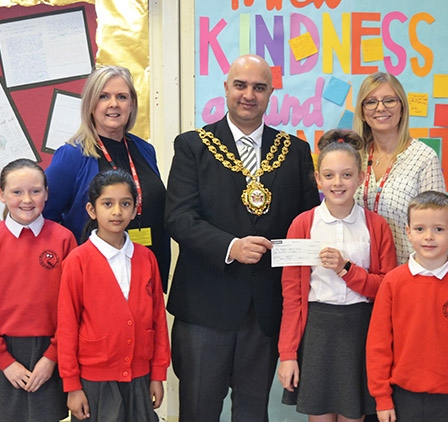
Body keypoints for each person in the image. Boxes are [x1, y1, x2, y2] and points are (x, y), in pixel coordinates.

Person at [165, 54, 320, 421]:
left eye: (259, 87)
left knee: (253, 414)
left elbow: (308, 227)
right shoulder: (193, 146)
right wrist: (231, 247)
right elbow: (178, 219)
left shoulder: (295, 152)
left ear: (270, 94)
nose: (248, 95)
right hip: (204, 309)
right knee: (198, 412)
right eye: (241, 85)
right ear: (226, 88)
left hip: (266, 312)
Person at [277, 129, 397, 421]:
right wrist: (288, 354)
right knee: (318, 416)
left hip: (361, 332)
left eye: (346, 175)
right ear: (317, 179)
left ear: (359, 178)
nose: (337, 183)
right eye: (329, 175)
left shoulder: (377, 226)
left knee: (354, 415)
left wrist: (348, 270)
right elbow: (292, 297)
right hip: (316, 331)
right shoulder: (303, 225)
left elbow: (387, 289)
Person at [0, 158, 77, 422]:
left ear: (47, 194)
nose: (27, 199)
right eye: (17, 192)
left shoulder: (64, 239)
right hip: (6, 349)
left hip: (52, 348)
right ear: (2, 195)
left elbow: (74, 304)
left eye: (35, 191)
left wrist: (52, 357)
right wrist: (4, 361)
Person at [44, 65, 170, 291]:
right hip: (95, 279)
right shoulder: (72, 155)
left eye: (122, 97)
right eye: (104, 96)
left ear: (131, 104)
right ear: (91, 104)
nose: (114, 104)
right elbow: (46, 218)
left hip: (146, 273)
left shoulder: (144, 150)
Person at [57, 169, 170, 421]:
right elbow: (66, 325)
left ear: (134, 210)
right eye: (108, 204)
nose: (117, 211)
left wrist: (157, 374)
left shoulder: (146, 258)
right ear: (92, 210)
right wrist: (72, 386)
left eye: (125, 204)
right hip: (95, 381)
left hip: (140, 377)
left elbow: (157, 320)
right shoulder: (78, 261)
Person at [366, 190, 448, 422]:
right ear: (408, 232)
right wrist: (382, 398)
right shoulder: (393, 281)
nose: (429, 236)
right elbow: (379, 344)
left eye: (438, 229)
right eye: (420, 229)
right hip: (401, 398)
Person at [353, 72, 444, 265]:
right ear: (362, 111)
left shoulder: (424, 158)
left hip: (406, 274)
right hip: (357, 276)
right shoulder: (353, 157)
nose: (380, 108)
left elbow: (437, 224)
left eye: (389, 100)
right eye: (371, 102)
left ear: (402, 107)